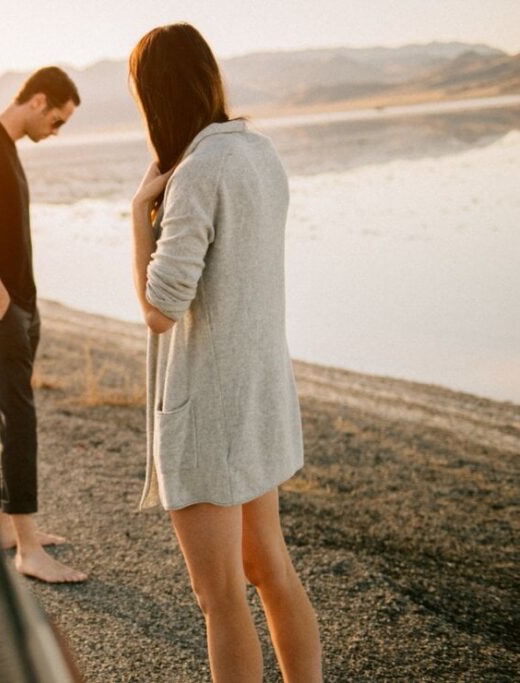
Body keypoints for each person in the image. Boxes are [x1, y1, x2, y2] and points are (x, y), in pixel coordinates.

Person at [128, 24, 322, 682]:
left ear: (153, 96)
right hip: (257, 394)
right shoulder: (260, 154)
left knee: (219, 598)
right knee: (271, 568)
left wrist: (137, 215)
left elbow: (160, 308)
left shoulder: (197, 173)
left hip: (210, 412)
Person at [0, 66, 86, 583]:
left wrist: (21, 304)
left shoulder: (5, 147)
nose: (56, 131)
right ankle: (30, 552)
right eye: (57, 119)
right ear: (36, 101)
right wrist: (3, 301)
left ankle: (3, 528)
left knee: (1, 413)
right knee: (18, 415)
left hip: (14, 307)